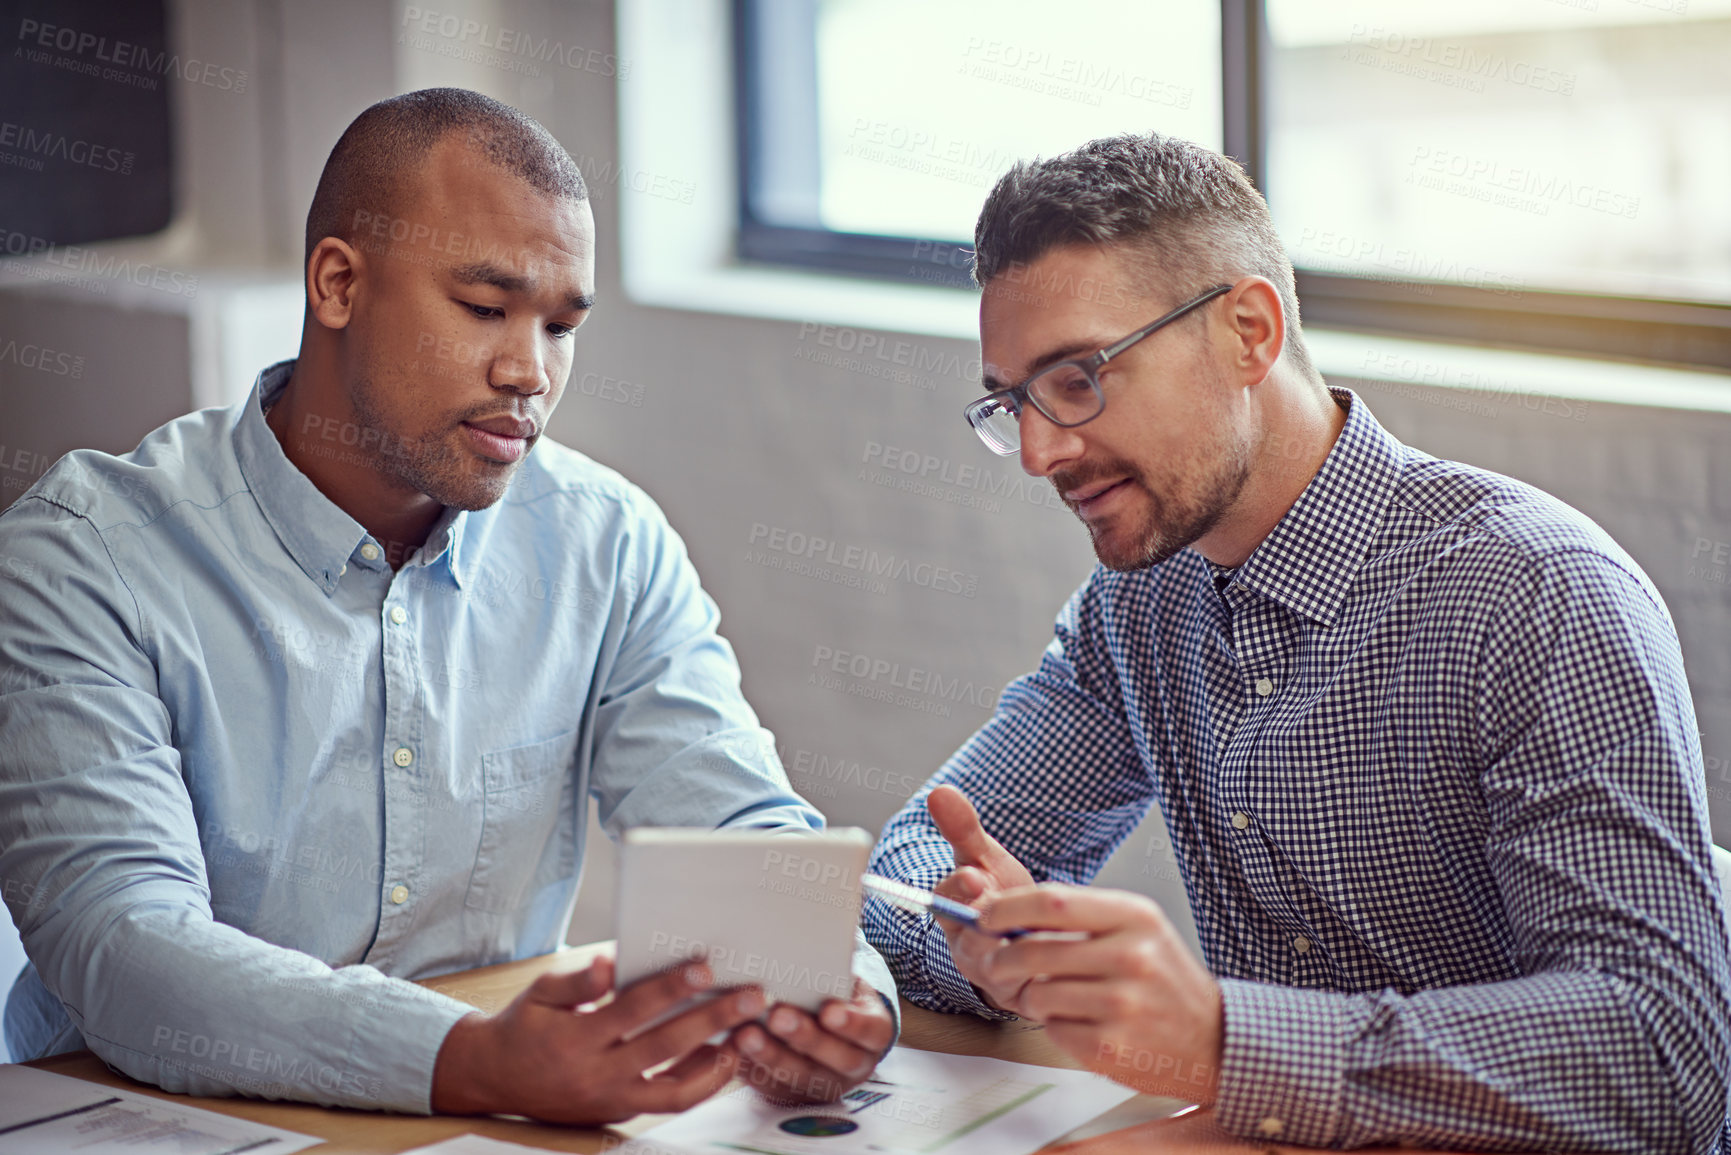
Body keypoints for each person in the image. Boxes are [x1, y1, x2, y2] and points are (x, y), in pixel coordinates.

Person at [0, 88, 893, 1124]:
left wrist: (840, 988)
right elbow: (124, 949)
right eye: (484, 309)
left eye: (561, 326)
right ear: (337, 283)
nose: (531, 372)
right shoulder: (83, 558)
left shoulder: (607, 540)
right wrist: (474, 1061)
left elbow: (737, 823)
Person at [863, 132, 1730, 1154]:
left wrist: (1227, 1044)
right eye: (1014, 403)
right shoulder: (1138, 606)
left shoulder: (1536, 594)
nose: (1042, 451)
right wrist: (989, 948)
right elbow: (914, 865)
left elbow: (1668, 1054)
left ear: (1247, 331)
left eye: (1079, 380)